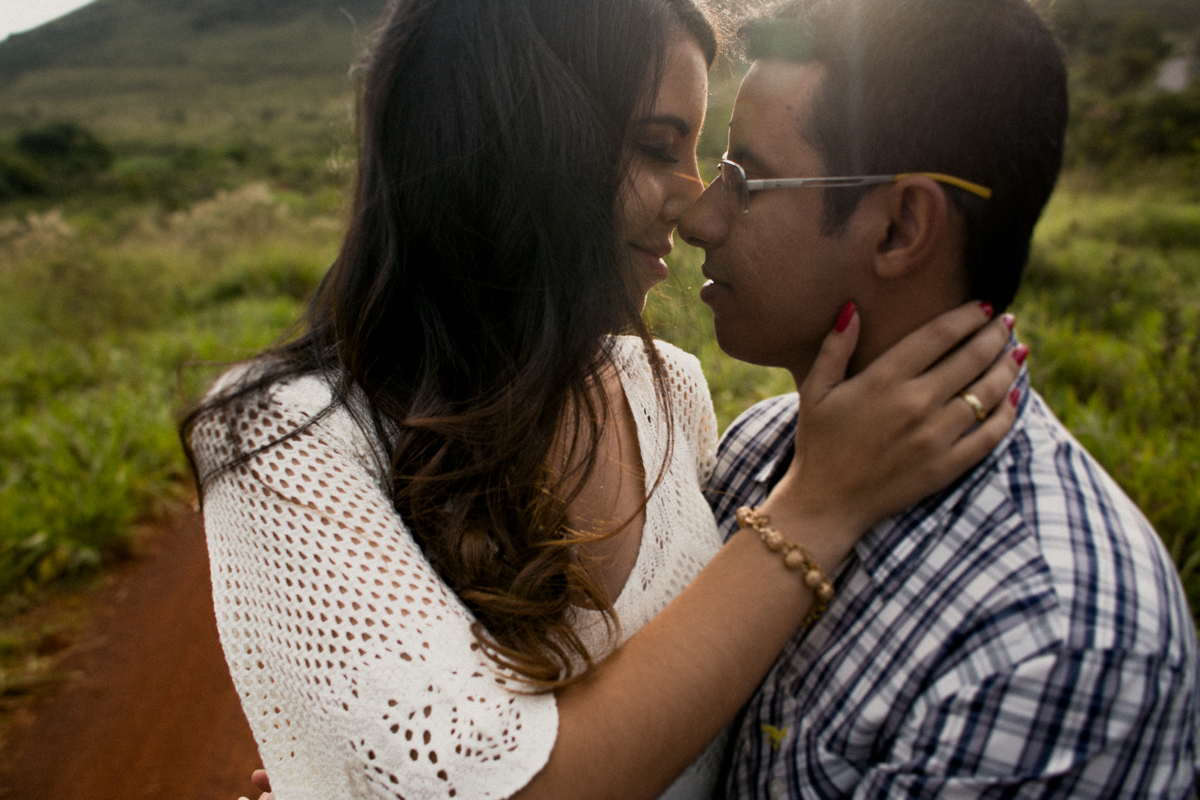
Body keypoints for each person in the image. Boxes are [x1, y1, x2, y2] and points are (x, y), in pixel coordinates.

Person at [185, 1, 1023, 798]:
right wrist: (818, 511)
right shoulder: (287, 431)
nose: (696, 202)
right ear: (515, 142)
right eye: (659, 147)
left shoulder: (665, 394)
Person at [677, 0, 1200, 797]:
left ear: (899, 229)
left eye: (744, 177)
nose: (701, 218)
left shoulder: (1055, 634)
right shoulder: (760, 453)